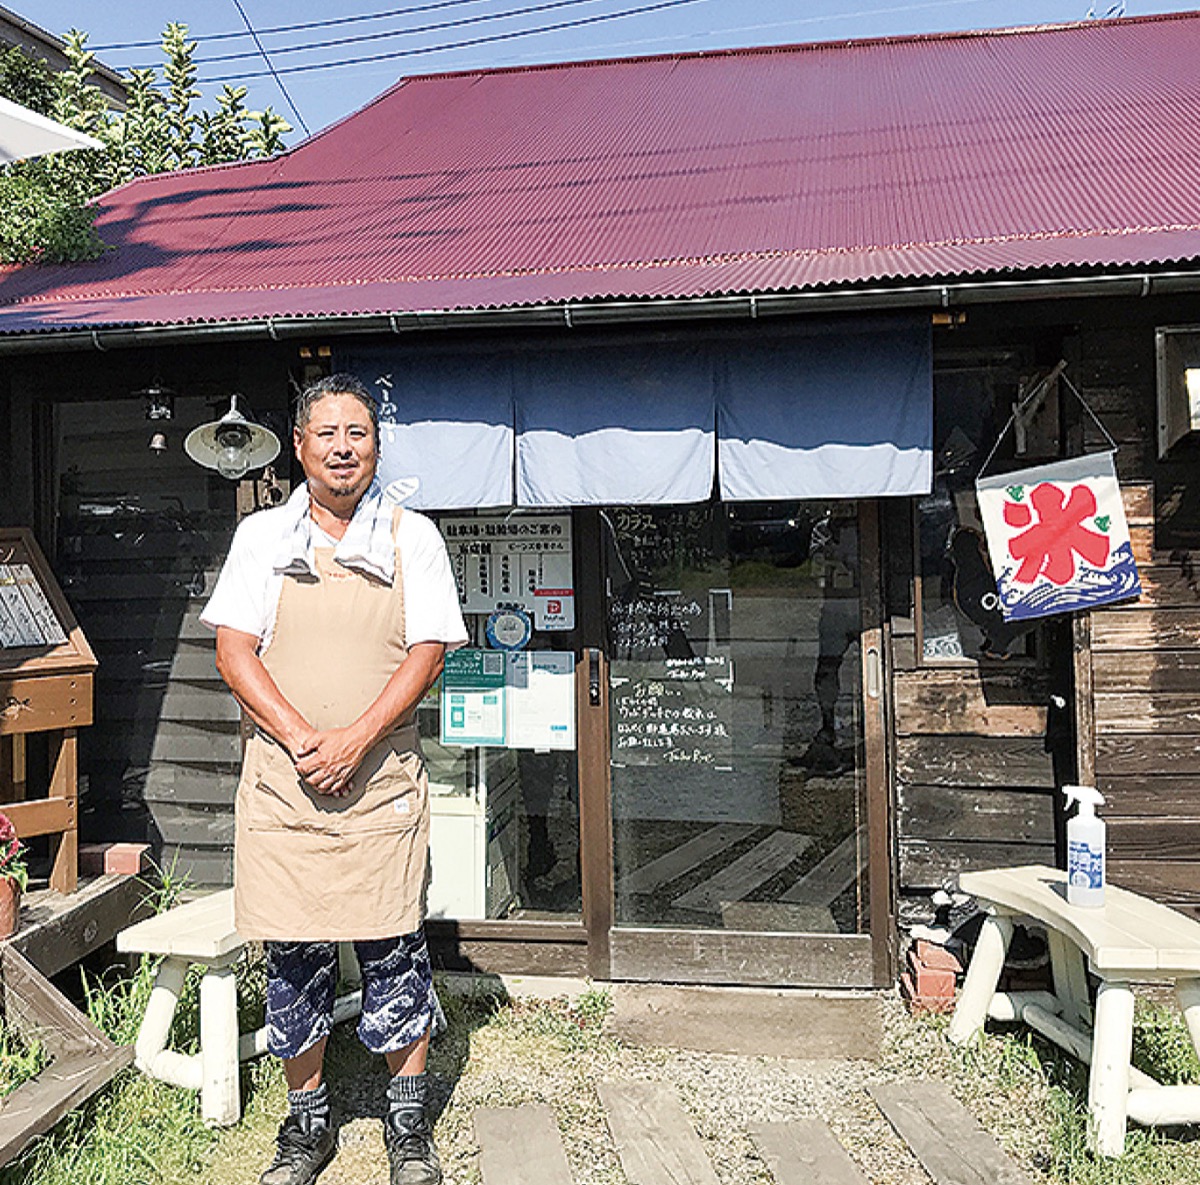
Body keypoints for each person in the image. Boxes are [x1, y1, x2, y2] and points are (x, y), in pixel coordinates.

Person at [201, 374, 467, 1185]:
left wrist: (355, 738)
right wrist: (302, 737)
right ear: (299, 444)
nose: (343, 447)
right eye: (327, 433)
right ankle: (307, 1124)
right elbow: (233, 650)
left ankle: (408, 1125)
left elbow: (428, 651)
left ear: (377, 445)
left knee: (396, 952)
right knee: (293, 957)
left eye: (358, 432)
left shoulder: (413, 537)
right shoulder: (261, 537)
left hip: (380, 781)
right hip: (284, 789)